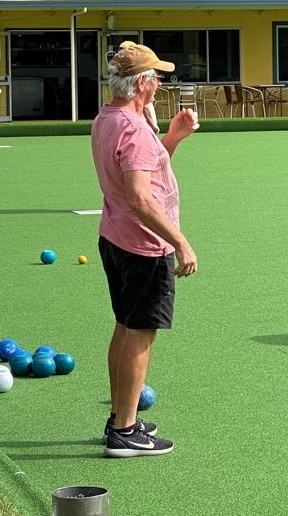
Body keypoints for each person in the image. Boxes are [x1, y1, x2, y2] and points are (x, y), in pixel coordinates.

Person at [91, 41, 198, 458]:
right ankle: (124, 430)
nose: (159, 83)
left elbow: (143, 172)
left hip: (115, 237)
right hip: (142, 245)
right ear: (141, 84)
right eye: (155, 77)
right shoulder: (133, 128)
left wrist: (172, 137)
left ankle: (123, 416)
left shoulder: (111, 117)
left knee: (126, 326)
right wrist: (180, 241)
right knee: (140, 333)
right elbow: (139, 195)